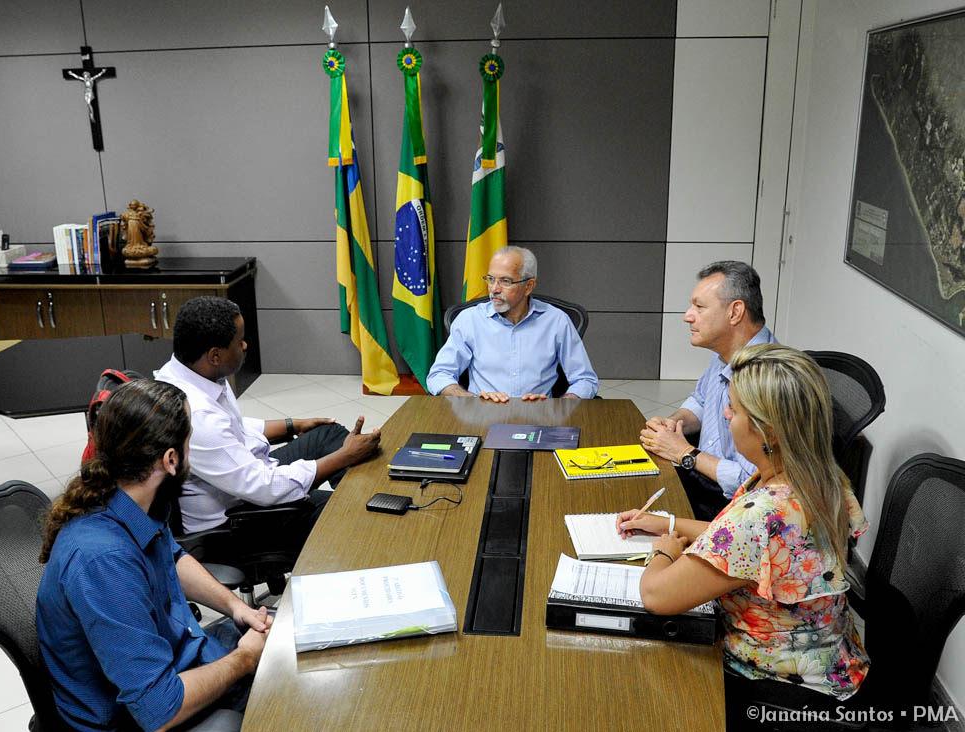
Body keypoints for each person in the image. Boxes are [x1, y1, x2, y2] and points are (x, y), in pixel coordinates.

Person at [617, 344, 869, 728]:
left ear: (768, 431)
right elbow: (745, 547)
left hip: (778, 687)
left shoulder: (762, 514)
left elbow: (657, 596)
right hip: (833, 665)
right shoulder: (820, 476)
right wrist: (669, 524)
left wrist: (663, 551)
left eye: (734, 410)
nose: (725, 414)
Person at [37, 379, 271, 731]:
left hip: (178, 658)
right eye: (190, 439)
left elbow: (172, 558)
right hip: (146, 713)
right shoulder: (103, 561)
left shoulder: (130, 499)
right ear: (171, 459)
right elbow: (159, 709)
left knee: (293, 642)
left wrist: (236, 607)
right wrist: (245, 658)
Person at [154, 296, 380, 535]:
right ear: (215, 356)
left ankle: (375, 496)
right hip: (236, 520)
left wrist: (293, 425)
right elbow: (265, 487)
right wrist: (344, 457)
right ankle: (368, 515)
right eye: (239, 341)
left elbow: (233, 427)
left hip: (246, 477)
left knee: (327, 434)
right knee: (344, 508)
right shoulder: (197, 416)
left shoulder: (194, 372)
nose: (245, 346)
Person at [640, 260, 776, 520]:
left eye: (699, 307)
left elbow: (754, 482)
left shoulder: (765, 379)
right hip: (701, 476)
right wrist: (673, 424)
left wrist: (683, 452)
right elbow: (701, 401)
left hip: (733, 508)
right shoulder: (726, 353)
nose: (687, 316)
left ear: (735, 312)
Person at [425, 246, 598, 401]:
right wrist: (471, 399)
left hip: (538, 417)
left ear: (529, 286)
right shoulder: (469, 320)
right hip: (482, 417)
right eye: (491, 279)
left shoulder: (556, 321)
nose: (494, 289)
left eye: (505, 281)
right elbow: (439, 375)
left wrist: (558, 405)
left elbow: (585, 380)